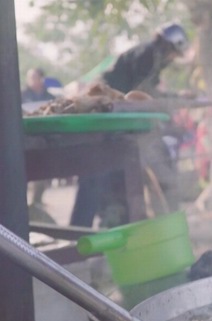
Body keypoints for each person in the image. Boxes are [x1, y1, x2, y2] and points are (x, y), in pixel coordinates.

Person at [71, 23, 190, 227]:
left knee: (111, 182)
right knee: (100, 178)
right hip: (108, 118)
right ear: (169, 46)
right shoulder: (148, 55)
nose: (171, 60)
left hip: (115, 122)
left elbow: (146, 92)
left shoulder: (148, 55)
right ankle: (84, 232)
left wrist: (175, 98)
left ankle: (111, 226)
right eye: (173, 54)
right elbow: (142, 94)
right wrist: (175, 99)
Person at [22, 68, 55, 207]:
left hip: (44, 137)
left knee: (43, 172)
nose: (32, 80)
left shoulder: (49, 96)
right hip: (25, 135)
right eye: (30, 77)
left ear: (42, 78)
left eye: (35, 77)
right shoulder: (21, 94)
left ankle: (36, 202)